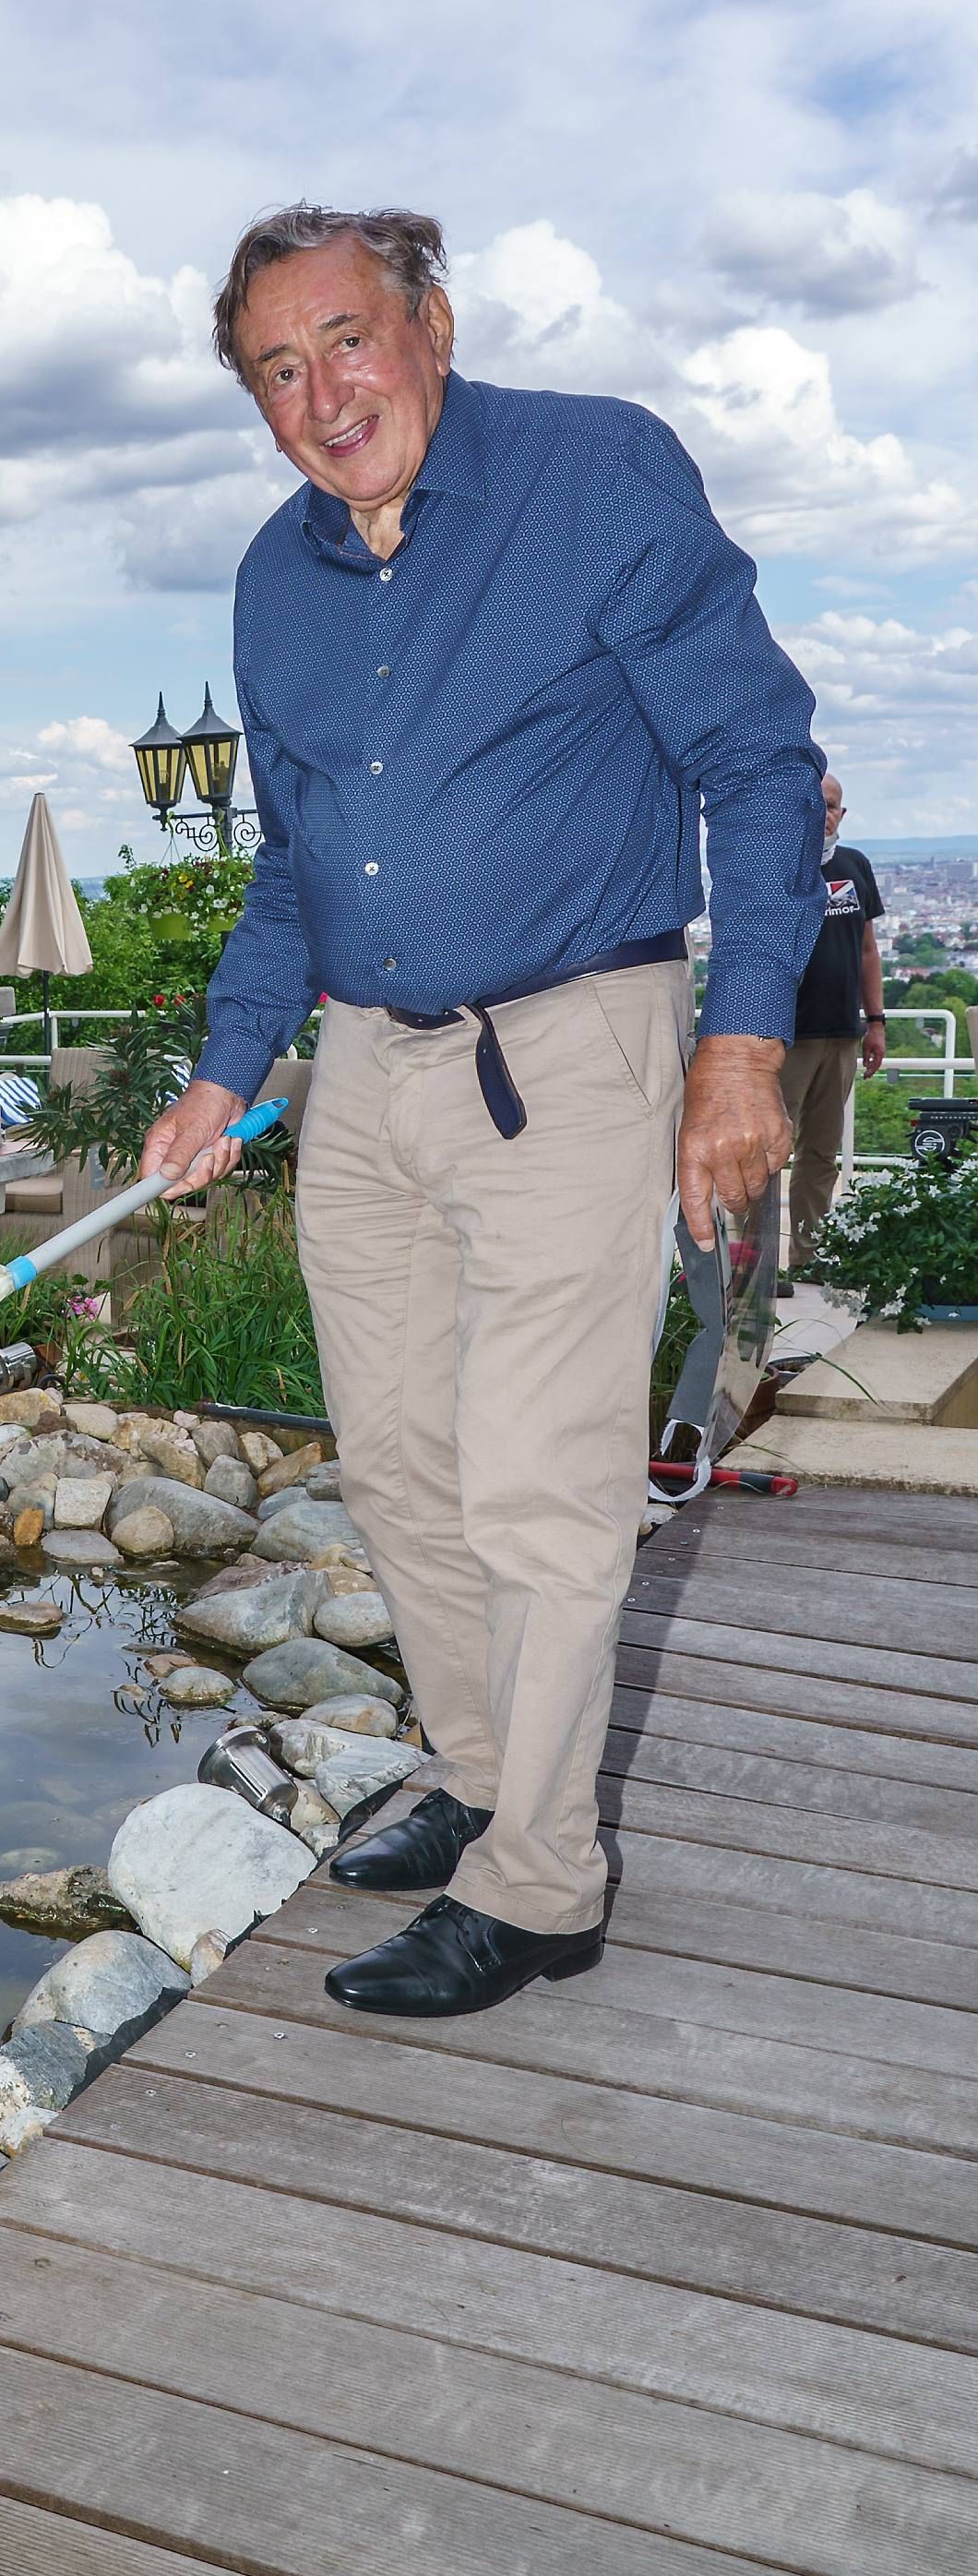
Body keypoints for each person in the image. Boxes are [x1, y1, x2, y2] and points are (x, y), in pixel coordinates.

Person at [141, 206, 825, 2020]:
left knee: (538, 1486)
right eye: (275, 370)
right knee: (396, 1464)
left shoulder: (588, 475)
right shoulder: (270, 580)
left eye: (346, 339)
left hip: (573, 1047)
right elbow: (289, 867)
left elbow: (754, 758)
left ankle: (538, 1883)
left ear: (427, 320)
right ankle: (468, 1775)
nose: (320, 391)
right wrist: (222, 1069)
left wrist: (739, 1043)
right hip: (361, 1069)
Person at [781, 776, 884, 1277]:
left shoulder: (855, 866)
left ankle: (806, 1256)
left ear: (842, 814)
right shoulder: (776, 863)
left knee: (821, 1151)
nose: (823, 815)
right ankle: (751, 1268)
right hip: (783, 1034)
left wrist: (876, 1021)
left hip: (842, 1031)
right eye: (815, 805)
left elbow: (867, 949)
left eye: (831, 806)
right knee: (765, 1151)